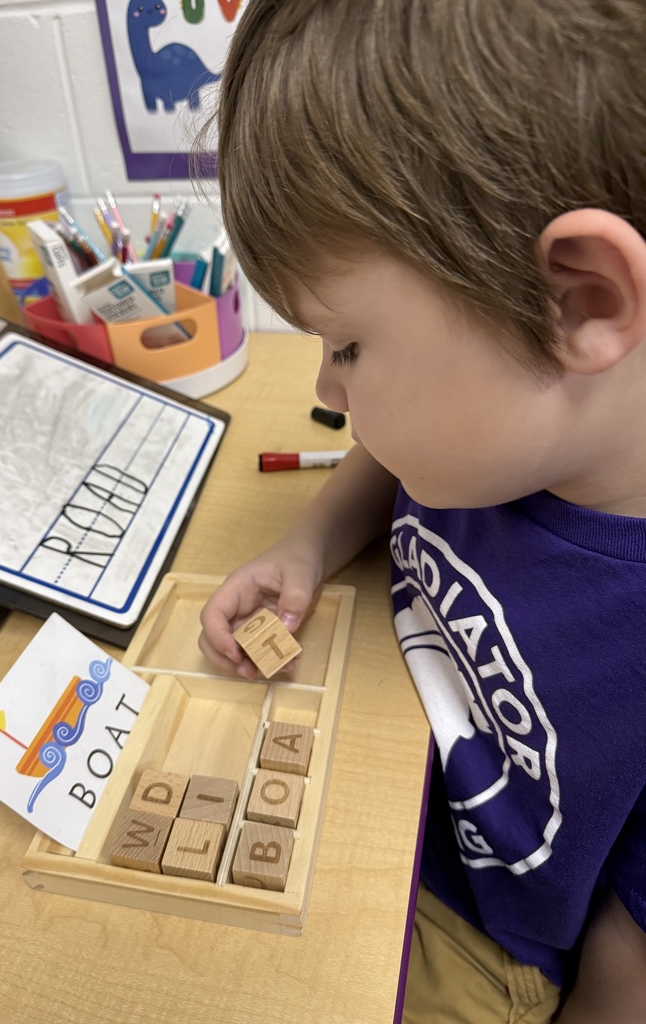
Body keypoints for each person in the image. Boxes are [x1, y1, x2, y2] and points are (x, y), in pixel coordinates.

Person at [196, 1, 646, 1021]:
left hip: (482, 937)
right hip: (379, 755)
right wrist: (308, 543)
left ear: (576, 301)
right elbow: (386, 462)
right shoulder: (499, 438)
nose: (328, 389)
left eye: (347, 345)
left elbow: (628, 973)